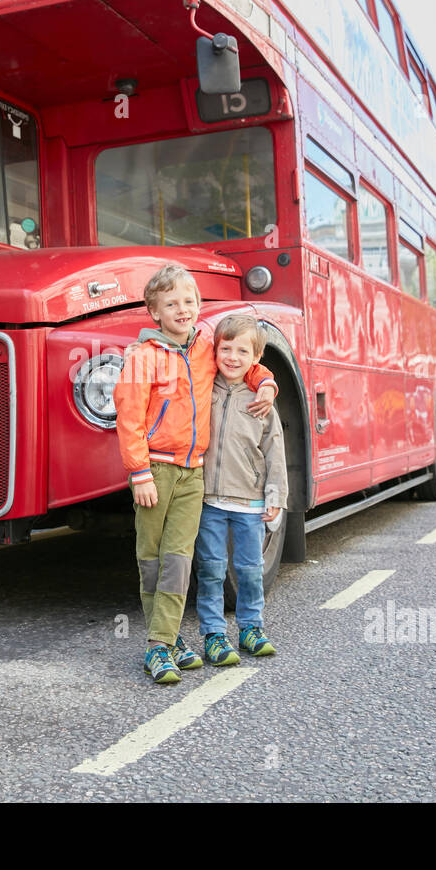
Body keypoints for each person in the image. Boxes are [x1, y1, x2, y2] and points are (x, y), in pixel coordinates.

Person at [113, 264, 277, 684]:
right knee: (152, 559)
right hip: (155, 470)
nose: (182, 310)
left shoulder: (205, 349)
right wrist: (139, 473)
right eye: (171, 304)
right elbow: (129, 419)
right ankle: (160, 644)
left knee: (179, 561)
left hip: (192, 474)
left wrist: (266, 383)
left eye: (189, 302)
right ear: (155, 312)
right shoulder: (143, 358)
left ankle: (164, 640)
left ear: (198, 305)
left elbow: (242, 359)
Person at [195, 314, 287, 665]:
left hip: (249, 500)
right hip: (209, 501)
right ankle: (214, 635)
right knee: (212, 568)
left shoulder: (261, 400)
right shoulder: (204, 387)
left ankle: (251, 627)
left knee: (250, 568)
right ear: (215, 351)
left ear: (256, 358)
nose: (233, 357)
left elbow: (274, 449)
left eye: (242, 351)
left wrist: (275, 497)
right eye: (225, 348)